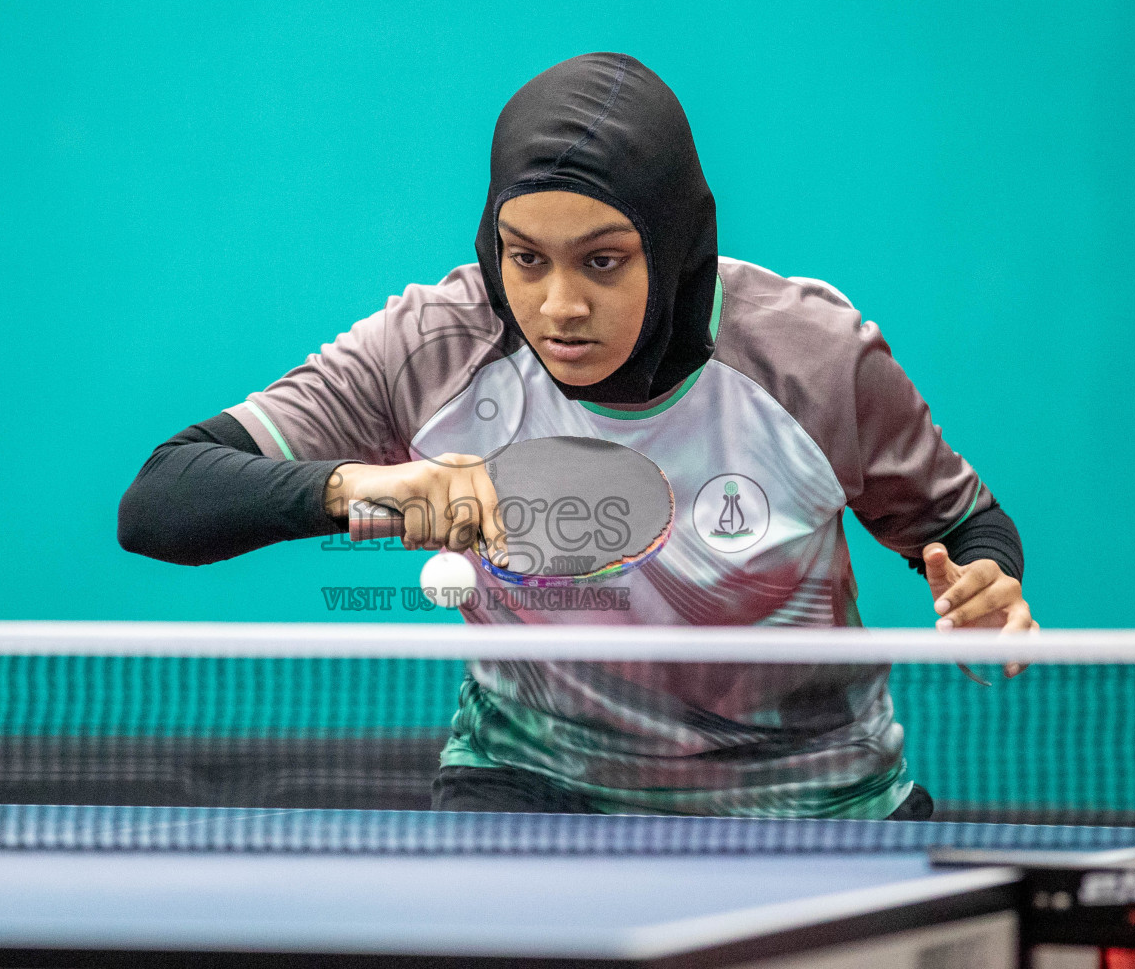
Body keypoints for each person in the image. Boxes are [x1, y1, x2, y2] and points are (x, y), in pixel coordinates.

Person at [118, 53, 1033, 820]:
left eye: (602, 261)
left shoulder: (815, 357)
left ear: (671, 245)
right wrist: (362, 490)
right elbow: (161, 499)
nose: (558, 306)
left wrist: (985, 586)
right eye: (525, 257)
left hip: (815, 805)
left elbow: (963, 524)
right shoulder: (440, 345)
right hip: (531, 792)